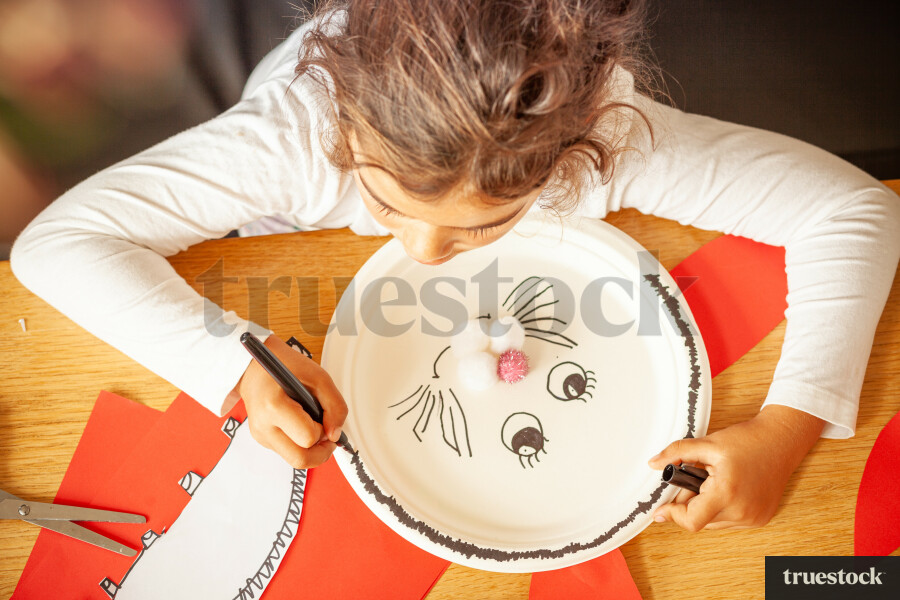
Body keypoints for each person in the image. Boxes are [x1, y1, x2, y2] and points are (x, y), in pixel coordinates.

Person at [10, 0, 899, 533]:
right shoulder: (292, 139)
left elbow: (857, 212)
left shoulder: (611, 142)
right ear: (346, 133)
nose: (423, 253)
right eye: (388, 204)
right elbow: (59, 245)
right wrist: (231, 362)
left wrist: (787, 427)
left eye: (485, 225)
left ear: (574, 161)